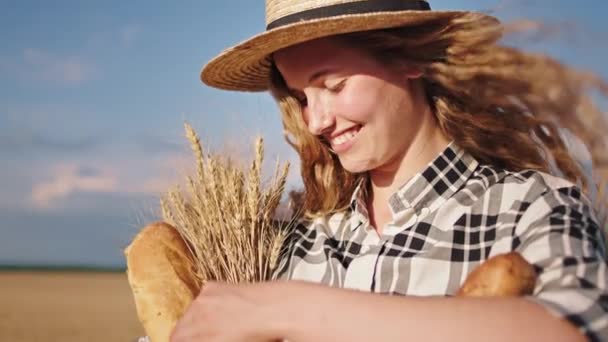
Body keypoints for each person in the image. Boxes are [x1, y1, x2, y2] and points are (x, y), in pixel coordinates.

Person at [170, 1, 608, 341]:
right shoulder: (295, 243)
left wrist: (285, 309)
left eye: (333, 85)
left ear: (407, 59)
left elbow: (580, 328)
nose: (316, 121)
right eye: (302, 97)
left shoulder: (531, 208)